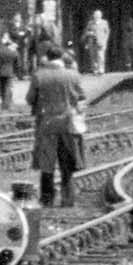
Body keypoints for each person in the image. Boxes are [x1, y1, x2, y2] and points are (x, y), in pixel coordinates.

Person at [26, 44, 87, 206]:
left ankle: (47, 199)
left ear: (48, 57)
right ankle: (68, 199)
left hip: (46, 125)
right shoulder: (73, 76)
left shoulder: (39, 76)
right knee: (66, 164)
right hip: (68, 124)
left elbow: (30, 99)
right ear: (61, 57)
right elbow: (81, 96)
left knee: (47, 165)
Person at [0, 35, 20, 111]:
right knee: (8, 88)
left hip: (1, 72)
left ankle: (3, 103)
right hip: (10, 72)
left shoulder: (0, 51)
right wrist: (16, 72)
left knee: (2, 88)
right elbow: (17, 63)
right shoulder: (14, 52)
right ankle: (7, 104)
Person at [83, 10, 110, 75]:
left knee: (100, 56)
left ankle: (101, 69)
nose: (97, 16)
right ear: (93, 16)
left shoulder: (104, 22)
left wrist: (104, 41)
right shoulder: (90, 23)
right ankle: (95, 70)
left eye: (98, 15)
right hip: (92, 42)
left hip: (100, 42)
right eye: (95, 15)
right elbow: (86, 32)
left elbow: (107, 32)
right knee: (93, 56)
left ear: (101, 15)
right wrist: (89, 33)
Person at [7, 14, 31, 80]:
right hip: (15, 45)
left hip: (22, 45)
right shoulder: (11, 26)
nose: (18, 18)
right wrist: (20, 34)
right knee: (16, 60)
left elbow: (26, 33)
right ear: (14, 18)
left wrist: (26, 33)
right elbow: (12, 33)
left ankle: (23, 75)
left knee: (23, 60)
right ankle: (15, 74)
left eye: (19, 17)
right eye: (16, 17)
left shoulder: (23, 26)